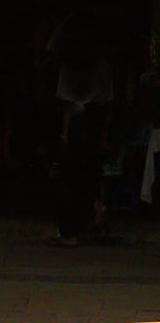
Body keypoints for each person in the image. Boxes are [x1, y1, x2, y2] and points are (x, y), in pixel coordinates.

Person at [49, 23, 115, 246]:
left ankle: (71, 231)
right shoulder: (101, 65)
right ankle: (94, 210)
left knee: (71, 177)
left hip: (79, 122)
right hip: (94, 121)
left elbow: (68, 103)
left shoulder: (70, 66)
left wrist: (65, 134)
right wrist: (104, 136)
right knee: (89, 172)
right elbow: (107, 104)